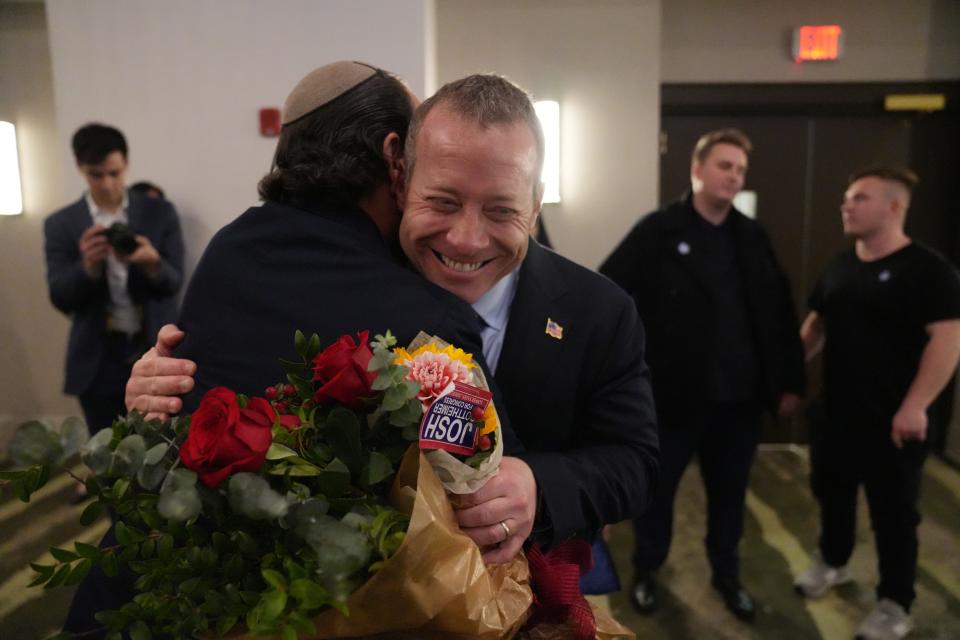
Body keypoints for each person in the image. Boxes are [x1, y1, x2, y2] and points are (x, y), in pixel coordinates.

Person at [127, 72, 659, 556]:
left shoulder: (599, 310)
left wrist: (537, 486)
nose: (466, 240)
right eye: (444, 202)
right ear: (401, 178)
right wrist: (163, 389)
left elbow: (635, 463)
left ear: (536, 203)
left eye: (502, 210)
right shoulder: (362, 288)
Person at [599, 128, 805, 621]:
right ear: (697, 170)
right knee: (657, 494)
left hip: (738, 401)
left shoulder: (751, 237)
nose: (733, 176)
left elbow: (778, 312)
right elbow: (609, 291)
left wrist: (789, 380)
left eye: (739, 169)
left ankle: (727, 575)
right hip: (672, 398)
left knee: (730, 498)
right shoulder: (658, 230)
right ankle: (648, 571)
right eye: (724, 165)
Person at [793, 167, 960, 640]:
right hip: (837, 416)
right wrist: (784, 376)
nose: (846, 206)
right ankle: (834, 561)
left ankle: (895, 602)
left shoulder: (930, 271)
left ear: (893, 206)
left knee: (894, 515)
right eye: (847, 198)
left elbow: (948, 339)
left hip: (894, 423)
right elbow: (816, 326)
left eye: (859, 198)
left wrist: (916, 406)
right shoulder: (841, 266)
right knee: (833, 497)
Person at [43, 123, 184, 439]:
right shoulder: (61, 224)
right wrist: (88, 266)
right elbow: (59, 296)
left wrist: (151, 262)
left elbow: (174, 282)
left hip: (153, 349)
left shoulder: (158, 211)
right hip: (97, 357)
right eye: (96, 174)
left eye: (115, 173)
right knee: (106, 452)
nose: (108, 184)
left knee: (161, 448)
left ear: (126, 164)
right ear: (80, 167)